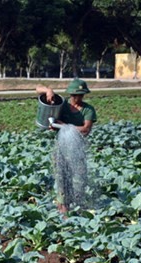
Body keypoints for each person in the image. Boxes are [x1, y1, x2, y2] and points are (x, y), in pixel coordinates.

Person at [36, 79, 97, 215]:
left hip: (77, 149)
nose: (78, 98)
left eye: (81, 95)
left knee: (79, 180)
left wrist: (63, 125)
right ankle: (63, 210)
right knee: (61, 178)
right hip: (61, 148)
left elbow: (86, 129)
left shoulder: (88, 110)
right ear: (70, 95)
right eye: (75, 95)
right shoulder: (62, 105)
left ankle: (78, 207)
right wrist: (48, 90)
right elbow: (38, 88)